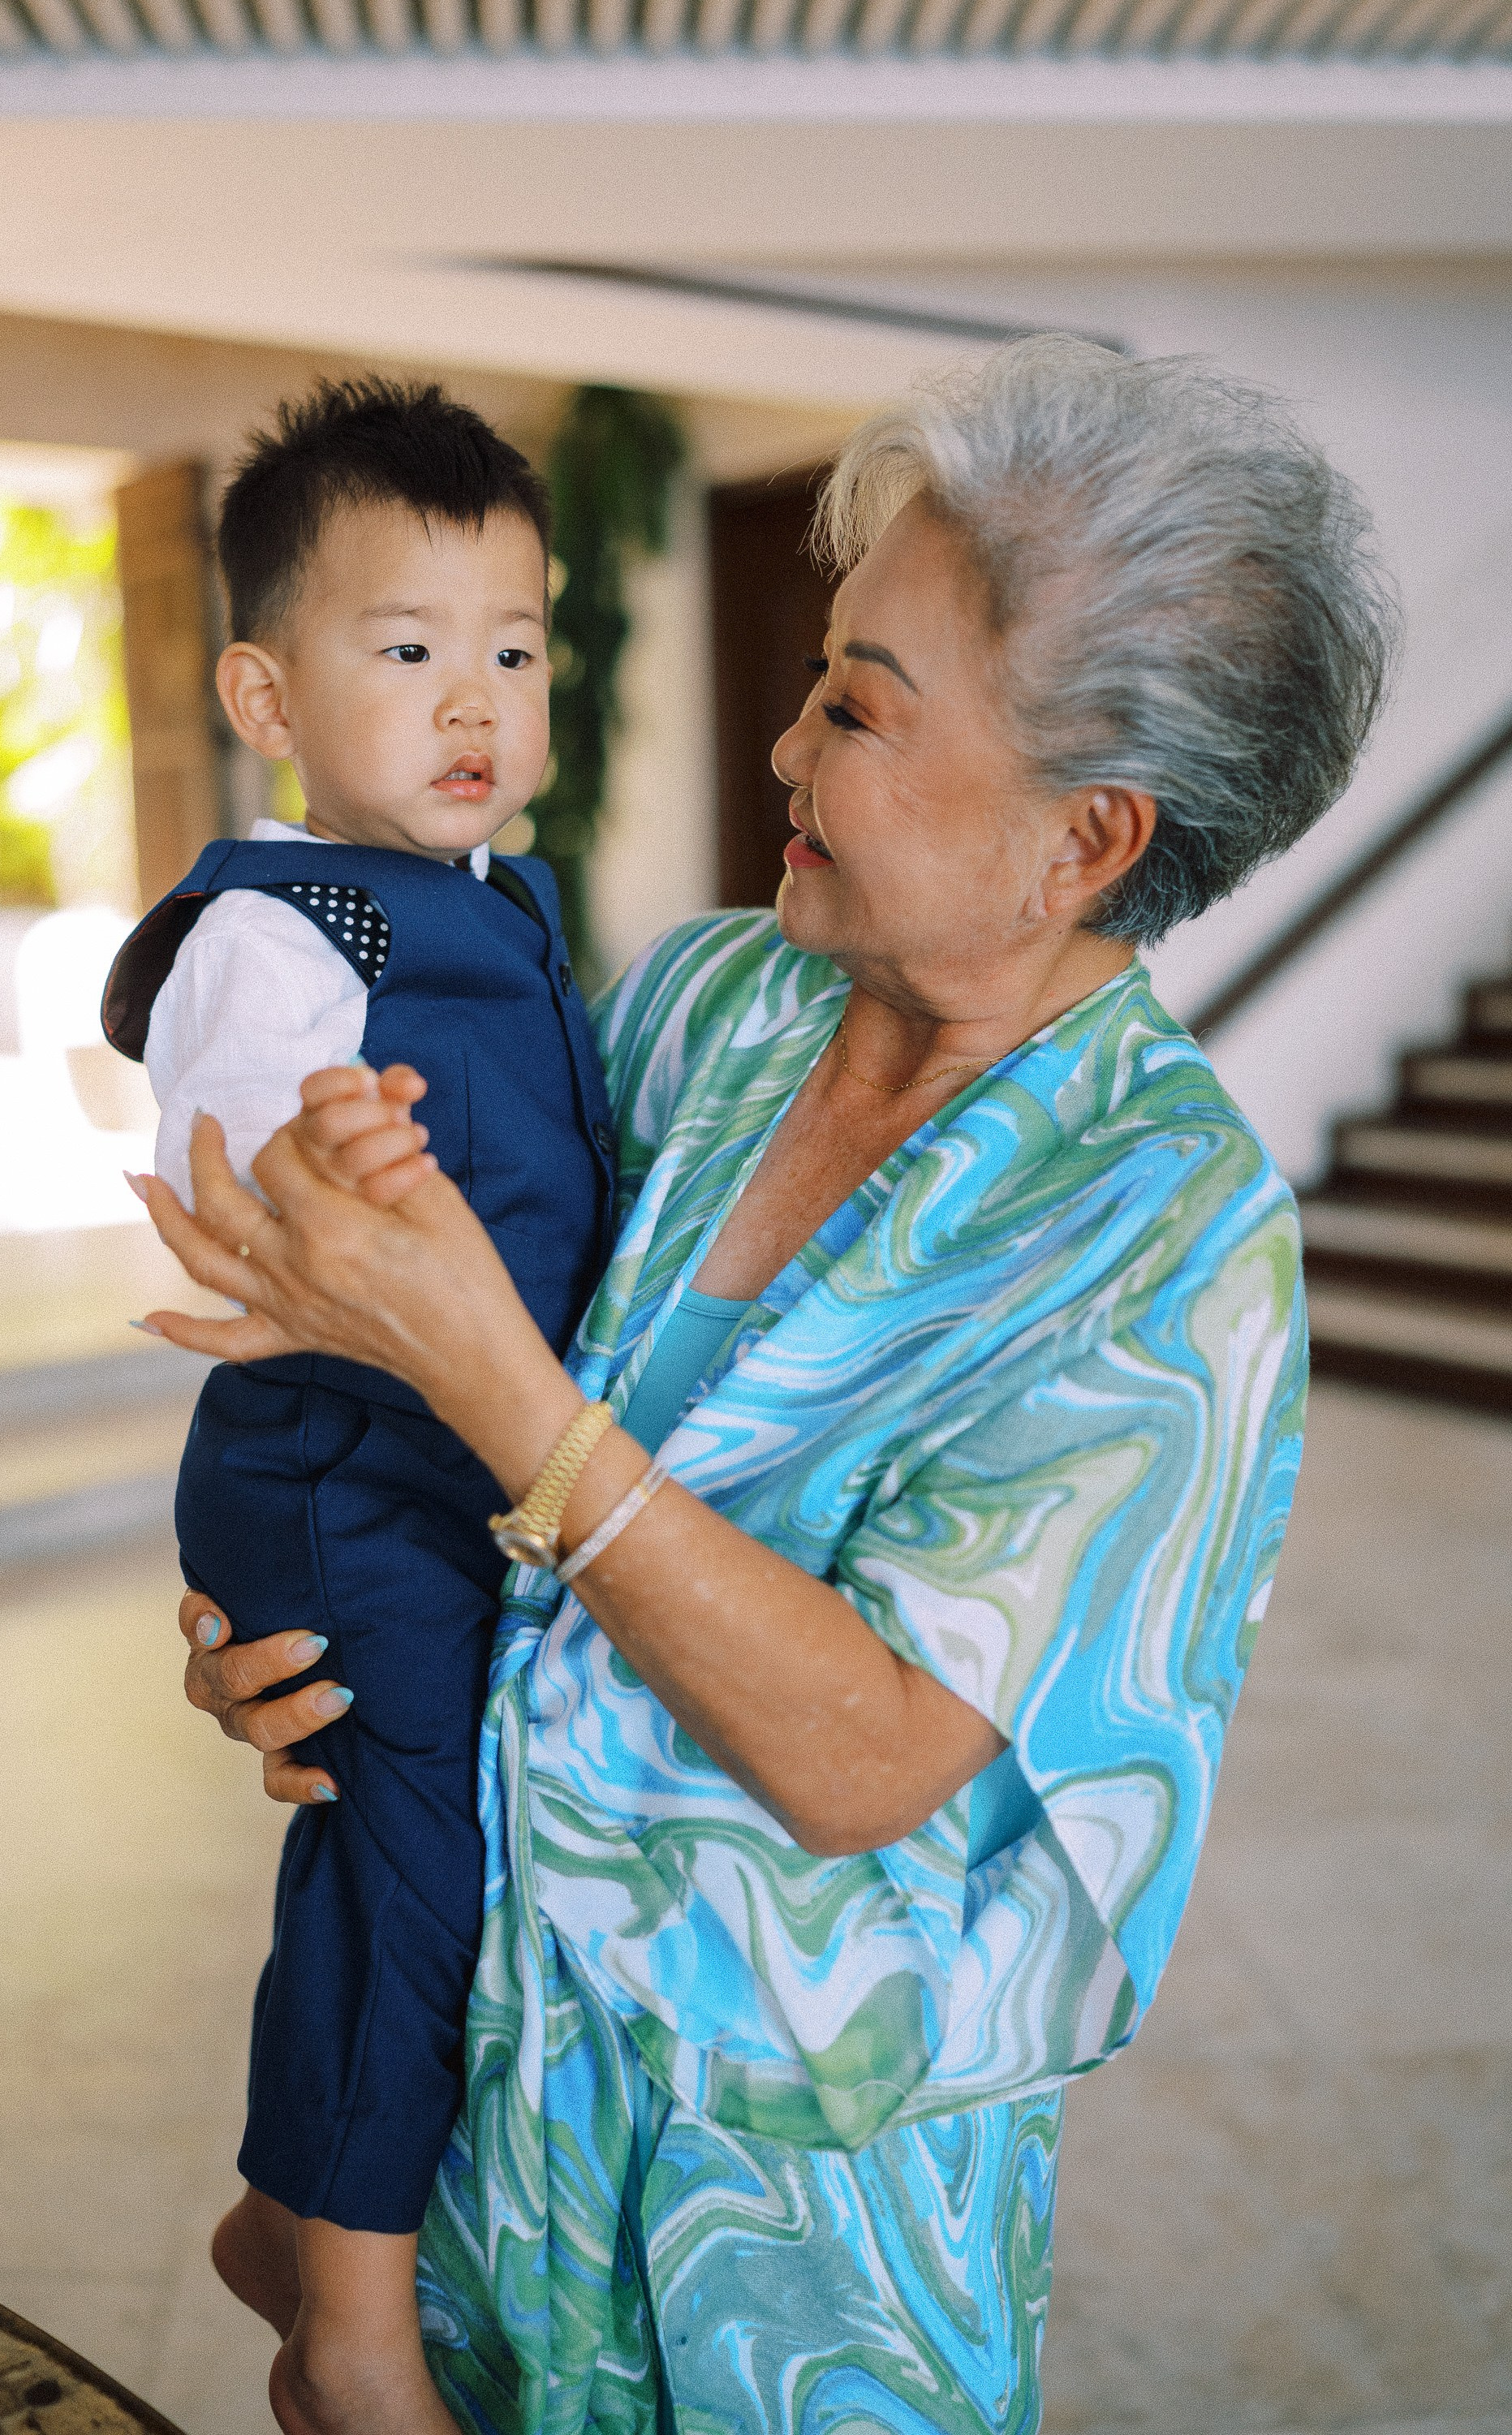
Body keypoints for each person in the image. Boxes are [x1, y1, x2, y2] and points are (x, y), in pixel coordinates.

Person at [136, 338, 1396, 2434]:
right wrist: (284, 1622)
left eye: (863, 710)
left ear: (1083, 837)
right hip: (482, 2126)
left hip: (790, 2244)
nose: (789, 744)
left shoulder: (1165, 1237)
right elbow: (404, 1370)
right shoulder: (717, 1005)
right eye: (820, 675)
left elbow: (871, 1756)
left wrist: (492, 1384)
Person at [106, 380, 614, 2435]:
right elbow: (232, 1183)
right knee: (417, 1876)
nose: (473, 699)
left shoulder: (506, 898)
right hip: (337, 1472)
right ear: (267, 695)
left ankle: (284, 2223)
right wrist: (330, 1169)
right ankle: (349, 2326)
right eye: (406, 651)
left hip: (442, 1463)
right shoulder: (272, 924)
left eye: (515, 651)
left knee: (426, 1858)